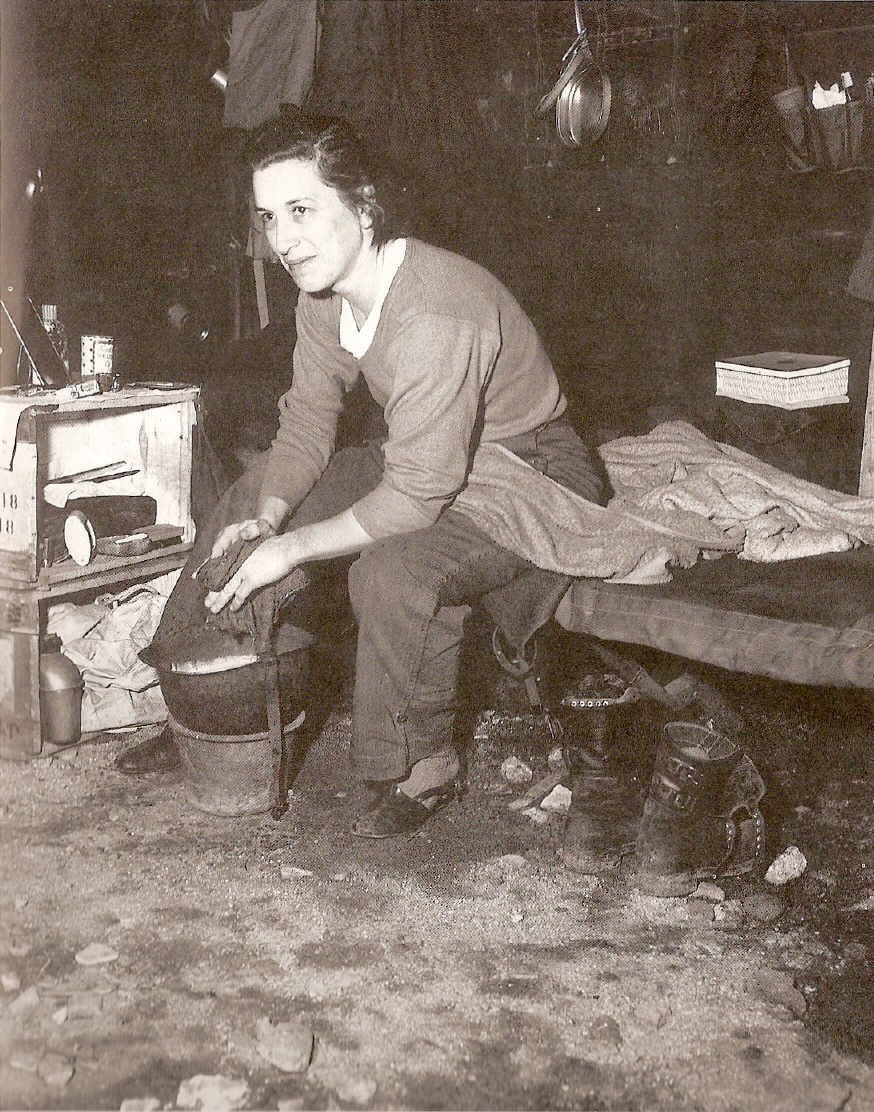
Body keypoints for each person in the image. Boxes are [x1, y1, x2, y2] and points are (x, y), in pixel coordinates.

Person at [120, 109, 605, 838]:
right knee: (249, 496)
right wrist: (270, 517)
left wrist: (291, 549)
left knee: (393, 569)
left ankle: (419, 762)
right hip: (431, 448)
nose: (283, 240)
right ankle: (200, 704)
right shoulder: (324, 295)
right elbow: (307, 423)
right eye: (269, 217)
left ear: (365, 205)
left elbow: (414, 498)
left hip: (529, 468)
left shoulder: (437, 311)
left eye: (301, 210)